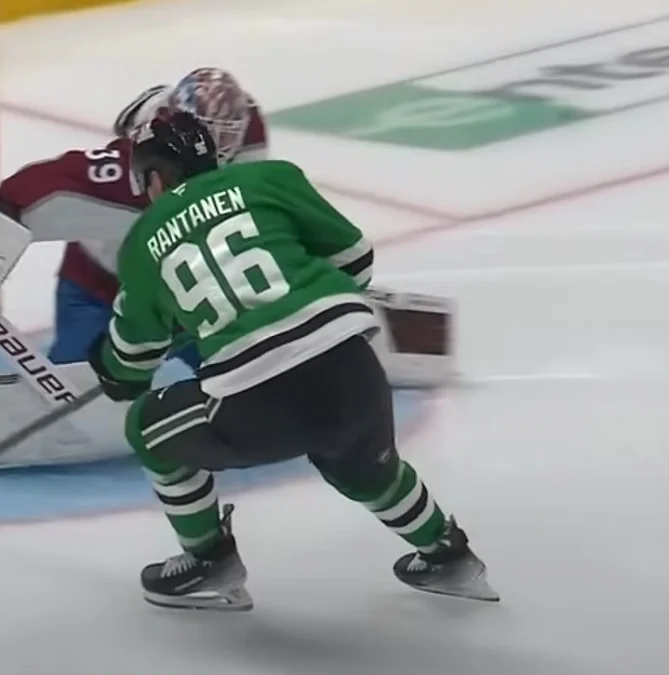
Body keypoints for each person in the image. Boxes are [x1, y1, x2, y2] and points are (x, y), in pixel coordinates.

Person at [86, 112, 497, 611]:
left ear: (153, 179)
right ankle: (448, 555)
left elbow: (132, 361)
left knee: (148, 427)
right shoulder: (271, 178)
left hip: (258, 404)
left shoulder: (143, 240)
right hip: (351, 366)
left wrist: (113, 367)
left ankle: (209, 560)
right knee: (361, 466)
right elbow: (356, 260)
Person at [47, 67, 268, 369]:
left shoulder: (249, 128)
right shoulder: (147, 136)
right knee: (71, 381)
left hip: (181, 290)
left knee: (232, 372)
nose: (214, 144)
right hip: (98, 279)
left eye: (225, 135)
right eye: (205, 132)